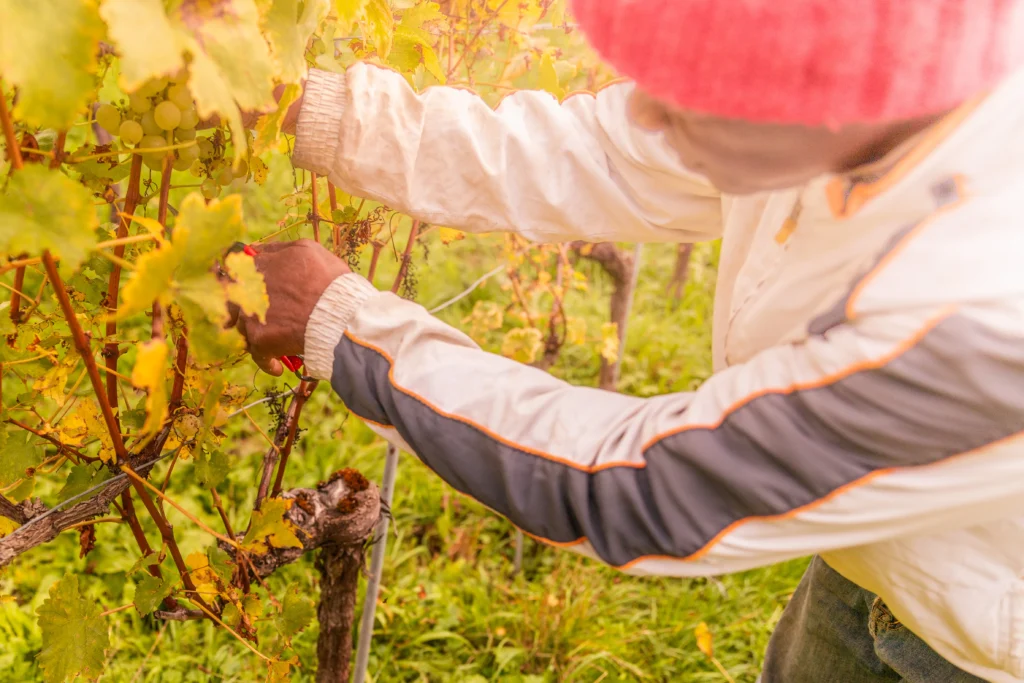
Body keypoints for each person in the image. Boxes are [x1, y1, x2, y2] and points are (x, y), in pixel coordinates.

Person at [235, 1, 1024, 681]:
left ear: (829, 102)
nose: (647, 112)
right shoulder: (895, 76)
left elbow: (636, 487)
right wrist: (315, 112)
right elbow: (602, 155)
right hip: (890, 559)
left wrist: (346, 328)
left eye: (689, 97)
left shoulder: (985, 314)